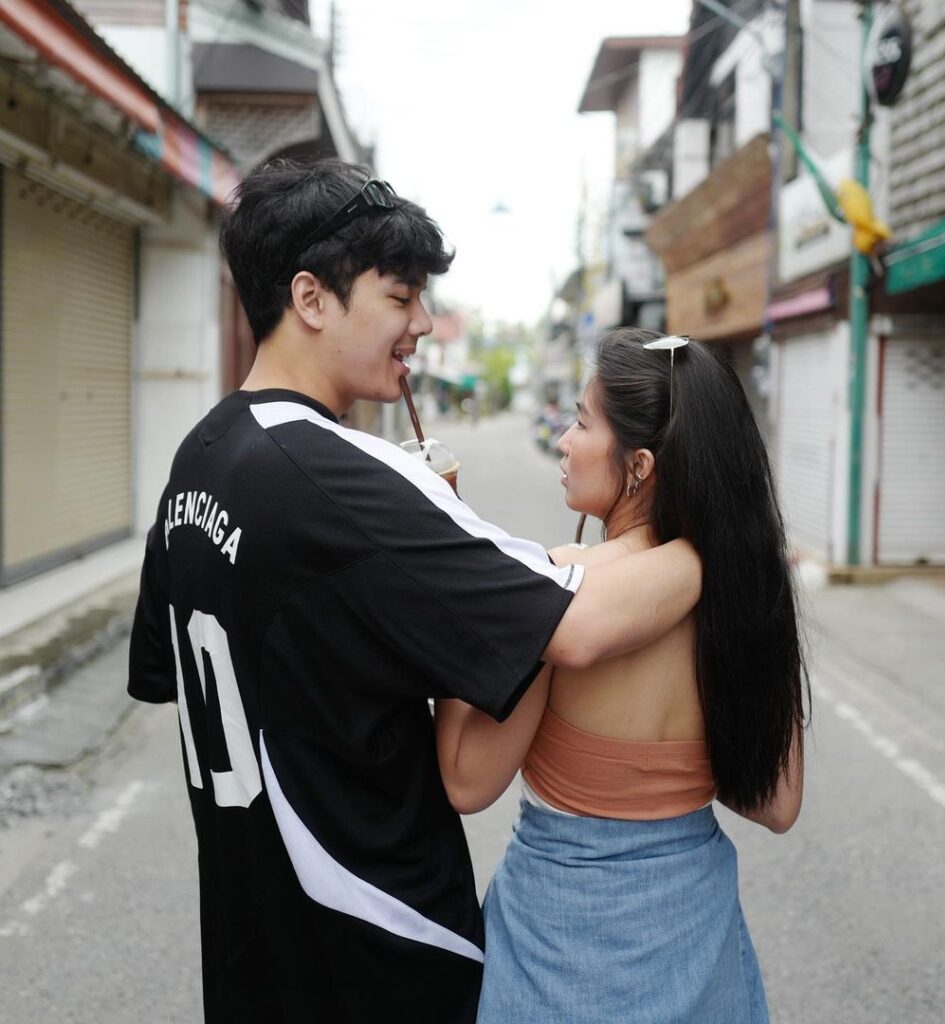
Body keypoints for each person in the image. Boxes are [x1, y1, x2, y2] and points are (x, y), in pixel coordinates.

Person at [126, 161, 701, 1024]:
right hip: (380, 953)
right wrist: (715, 549)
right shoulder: (341, 475)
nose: (424, 324)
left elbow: (215, 661)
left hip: (253, 954)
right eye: (400, 297)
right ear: (311, 298)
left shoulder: (199, 457)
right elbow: (572, 624)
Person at [435, 328, 808, 1024]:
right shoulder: (744, 589)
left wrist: (455, 584)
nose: (563, 441)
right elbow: (777, 803)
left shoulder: (560, 587)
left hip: (558, 945)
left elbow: (466, 780)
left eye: (581, 422)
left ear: (638, 466)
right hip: (698, 944)